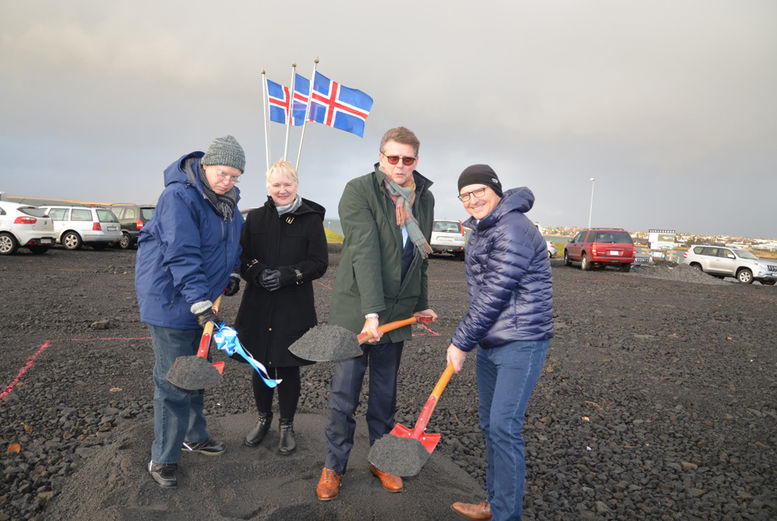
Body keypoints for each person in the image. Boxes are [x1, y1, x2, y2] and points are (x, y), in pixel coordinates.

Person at [316, 126, 438, 501]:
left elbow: (420, 257)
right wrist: (371, 313)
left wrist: (420, 304)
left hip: (397, 315)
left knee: (385, 395)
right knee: (345, 394)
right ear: (381, 157)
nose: (400, 165)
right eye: (393, 157)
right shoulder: (359, 191)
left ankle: (381, 460)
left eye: (407, 159)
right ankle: (333, 466)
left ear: (416, 160)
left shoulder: (425, 198)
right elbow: (365, 253)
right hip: (359, 312)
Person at [135, 135, 246, 489]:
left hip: (203, 304)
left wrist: (232, 273)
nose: (227, 181)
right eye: (222, 173)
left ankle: (194, 436)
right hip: (172, 300)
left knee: (197, 371)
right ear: (206, 165)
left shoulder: (228, 202)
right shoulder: (179, 196)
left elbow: (231, 244)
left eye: (234, 176)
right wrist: (199, 303)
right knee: (174, 381)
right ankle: (163, 458)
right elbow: (181, 253)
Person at [446, 165, 553, 521]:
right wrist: (472, 339)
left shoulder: (513, 227)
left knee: (504, 427)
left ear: (496, 190)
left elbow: (494, 293)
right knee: (490, 425)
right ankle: (493, 504)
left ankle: (506, 514)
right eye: (465, 195)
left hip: (521, 341)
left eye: (479, 191)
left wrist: (460, 342)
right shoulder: (483, 228)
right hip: (491, 341)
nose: (472, 199)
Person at [233, 159, 328, 455]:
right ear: (268, 186)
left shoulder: (311, 219)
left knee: (287, 365)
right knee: (260, 363)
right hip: (258, 303)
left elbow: (319, 263)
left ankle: (287, 425)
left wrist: (289, 275)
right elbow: (243, 257)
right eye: (276, 184)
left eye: (288, 184)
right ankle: (263, 419)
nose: (282, 189)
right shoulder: (255, 218)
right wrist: (258, 272)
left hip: (293, 305)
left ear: (297, 185)